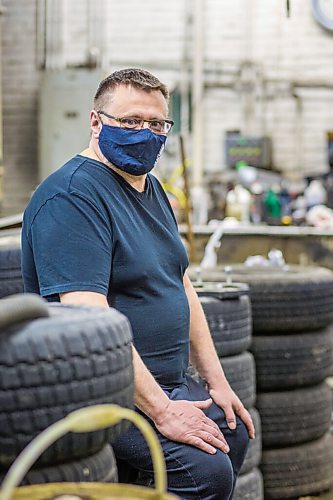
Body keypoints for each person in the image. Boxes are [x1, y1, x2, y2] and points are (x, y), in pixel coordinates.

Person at [22, 68, 254, 499]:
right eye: (129, 121)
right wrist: (164, 412)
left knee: (235, 432)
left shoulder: (153, 190)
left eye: (156, 124)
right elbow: (87, 315)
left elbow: (181, 287)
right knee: (205, 471)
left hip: (167, 381)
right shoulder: (71, 196)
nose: (144, 133)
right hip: (103, 393)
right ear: (96, 122)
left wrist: (217, 381)